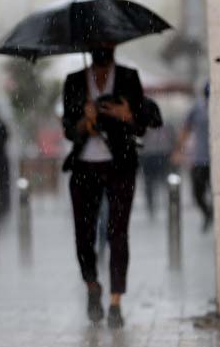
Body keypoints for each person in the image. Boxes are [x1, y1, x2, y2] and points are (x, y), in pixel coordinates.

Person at [61, 46, 161, 329]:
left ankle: (116, 301)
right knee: (84, 233)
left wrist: (127, 115)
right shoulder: (74, 80)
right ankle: (92, 285)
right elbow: (69, 129)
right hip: (84, 165)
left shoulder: (129, 78)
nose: (101, 68)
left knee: (118, 232)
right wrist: (85, 121)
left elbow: (142, 124)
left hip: (120, 165)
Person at [172, 89, 212, 231]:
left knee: (218, 192)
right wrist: (178, 150)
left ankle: (216, 215)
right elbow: (186, 129)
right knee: (197, 193)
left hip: (217, 160)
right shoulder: (197, 109)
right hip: (200, 158)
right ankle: (208, 212)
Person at [138, 118, 175, 220]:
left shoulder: (166, 124)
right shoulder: (143, 123)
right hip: (148, 156)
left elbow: (172, 139)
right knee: (149, 184)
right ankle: (152, 207)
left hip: (162, 155)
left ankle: (169, 206)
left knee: (164, 183)